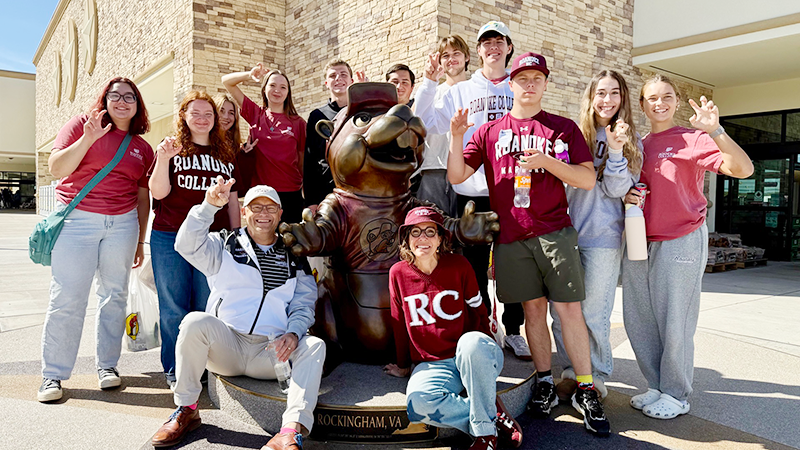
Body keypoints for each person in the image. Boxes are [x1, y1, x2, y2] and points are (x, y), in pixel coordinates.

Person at [448, 52, 611, 436]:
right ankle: (543, 380)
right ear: (511, 83)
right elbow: (457, 175)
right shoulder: (489, 132)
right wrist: (457, 137)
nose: (530, 84)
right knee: (532, 313)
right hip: (510, 237)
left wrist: (546, 162)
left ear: (546, 84)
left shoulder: (562, 128)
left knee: (569, 311)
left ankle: (586, 388)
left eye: (537, 78)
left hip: (554, 232)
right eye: (522, 78)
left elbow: (586, 180)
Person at [151, 183, 324, 449]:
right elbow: (185, 244)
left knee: (314, 345)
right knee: (194, 322)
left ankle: (290, 430)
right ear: (244, 211)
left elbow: (303, 305)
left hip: (270, 353)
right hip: (227, 346)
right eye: (256, 207)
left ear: (280, 213)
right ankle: (187, 410)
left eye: (269, 208)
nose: (262, 214)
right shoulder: (225, 243)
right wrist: (208, 206)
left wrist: (293, 332)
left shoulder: (294, 256)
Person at [622, 74, 753, 419]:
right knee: (640, 318)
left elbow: (743, 169)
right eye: (652, 98)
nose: (659, 103)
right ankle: (656, 385)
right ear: (642, 105)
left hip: (681, 238)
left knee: (675, 320)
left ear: (677, 102)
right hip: (639, 239)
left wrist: (716, 131)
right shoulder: (638, 143)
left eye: (667, 96)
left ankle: (677, 394)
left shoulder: (693, 139)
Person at [414, 21, 528, 361]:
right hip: (472, 193)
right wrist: (429, 81)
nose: (492, 47)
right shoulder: (461, 90)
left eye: (499, 41)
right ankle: (481, 326)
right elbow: (424, 122)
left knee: (512, 264)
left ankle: (514, 329)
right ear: (477, 51)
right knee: (474, 267)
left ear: (508, 47)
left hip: (511, 190)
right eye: (486, 42)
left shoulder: (518, 87)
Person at [38, 77, 153, 402]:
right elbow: (57, 167)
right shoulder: (80, 125)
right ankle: (53, 375)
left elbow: (142, 197)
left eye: (129, 96)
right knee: (67, 298)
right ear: (104, 100)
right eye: (114, 95)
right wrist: (87, 139)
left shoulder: (141, 147)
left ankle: (107, 367)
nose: (121, 101)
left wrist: (140, 239)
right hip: (77, 221)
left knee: (114, 296)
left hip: (123, 224)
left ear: (137, 105)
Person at [384, 206, 522, 450]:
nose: (422, 238)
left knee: (471, 342)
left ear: (440, 239)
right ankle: (490, 412)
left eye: (430, 231)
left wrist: (483, 360)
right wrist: (404, 364)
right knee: (418, 404)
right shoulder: (398, 273)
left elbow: (479, 312)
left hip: (471, 354)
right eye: (415, 232)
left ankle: (485, 435)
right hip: (433, 364)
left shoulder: (459, 265)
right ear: (406, 239)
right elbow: (399, 322)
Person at [550, 70, 643, 401]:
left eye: (614, 93)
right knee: (561, 310)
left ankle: (597, 373)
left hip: (603, 236)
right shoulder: (572, 137)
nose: (607, 100)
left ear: (623, 99)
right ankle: (570, 371)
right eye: (601, 93)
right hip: (563, 234)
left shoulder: (632, 141)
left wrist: (616, 151)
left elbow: (618, 187)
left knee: (594, 311)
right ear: (590, 98)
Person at [149, 90, 241, 388]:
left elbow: (233, 201)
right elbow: (158, 193)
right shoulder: (172, 150)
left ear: (216, 120)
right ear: (184, 117)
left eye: (208, 114)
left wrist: (238, 237)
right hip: (169, 236)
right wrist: (163, 159)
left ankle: (203, 366)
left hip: (213, 240)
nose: (202, 119)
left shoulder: (225, 153)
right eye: (195, 113)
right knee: (174, 305)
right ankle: (176, 369)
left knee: (207, 305)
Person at [222, 64, 307, 222]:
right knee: (261, 243)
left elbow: (302, 162)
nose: (277, 90)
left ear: (288, 93)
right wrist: (250, 74)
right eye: (272, 85)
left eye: (283, 87)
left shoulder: (298, 123)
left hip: (290, 194)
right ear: (264, 89)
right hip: (260, 193)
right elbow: (227, 82)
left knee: (290, 244)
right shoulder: (255, 113)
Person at [412, 35, 470, 217]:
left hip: (469, 171)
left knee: (469, 236)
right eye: (445, 55)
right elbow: (418, 122)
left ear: (467, 57)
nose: (451, 59)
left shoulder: (476, 90)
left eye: (456, 53)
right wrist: (429, 82)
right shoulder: (430, 91)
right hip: (434, 172)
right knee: (432, 229)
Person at [303, 59, 355, 208]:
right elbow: (310, 160)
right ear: (326, 83)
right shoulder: (317, 115)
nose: (338, 78)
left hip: (356, 190)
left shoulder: (361, 113)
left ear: (351, 81)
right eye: (333, 76)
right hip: (324, 192)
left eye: (343, 74)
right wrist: (311, 201)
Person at [214, 93, 258, 194]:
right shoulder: (202, 141)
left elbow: (241, 190)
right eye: (221, 111)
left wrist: (245, 156)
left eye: (231, 113)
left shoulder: (233, 147)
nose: (226, 117)